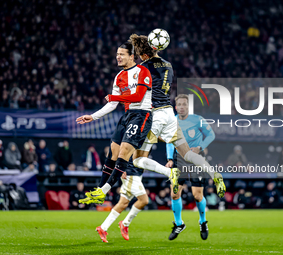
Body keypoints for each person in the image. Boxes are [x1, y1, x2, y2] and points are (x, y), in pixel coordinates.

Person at [84, 34, 225, 205]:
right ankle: (213, 173)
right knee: (187, 153)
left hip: (154, 114)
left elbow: (140, 92)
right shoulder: (169, 65)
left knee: (136, 159)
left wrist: (116, 97)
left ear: (143, 54)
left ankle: (168, 173)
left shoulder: (143, 68)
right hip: (169, 113)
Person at [76, 42, 154, 213]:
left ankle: (104, 191)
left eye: (122, 54)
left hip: (142, 114)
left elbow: (139, 96)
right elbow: (112, 104)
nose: (118, 57)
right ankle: (100, 190)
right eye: (117, 54)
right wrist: (93, 116)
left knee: (125, 150)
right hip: (127, 115)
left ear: (132, 56)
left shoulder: (143, 71)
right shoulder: (119, 76)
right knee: (113, 150)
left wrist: (114, 96)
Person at [165, 94, 216, 241]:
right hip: (178, 158)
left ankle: (203, 221)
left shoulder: (197, 119)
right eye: (179, 104)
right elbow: (170, 141)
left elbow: (211, 135)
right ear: (176, 107)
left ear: (188, 106)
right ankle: (179, 223)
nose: (182, 107)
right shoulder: (171, 122)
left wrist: (200, 147)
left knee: (197, 195)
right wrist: (169, 158)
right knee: (174, 193)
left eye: (184, 104)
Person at [95, 159, 149, 243]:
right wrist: (121, 168)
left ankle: (103, 228)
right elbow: (121, 150)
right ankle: (125, 223)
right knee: (144, 200)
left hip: (136, 173)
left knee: (123, 203)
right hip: (131, 173)